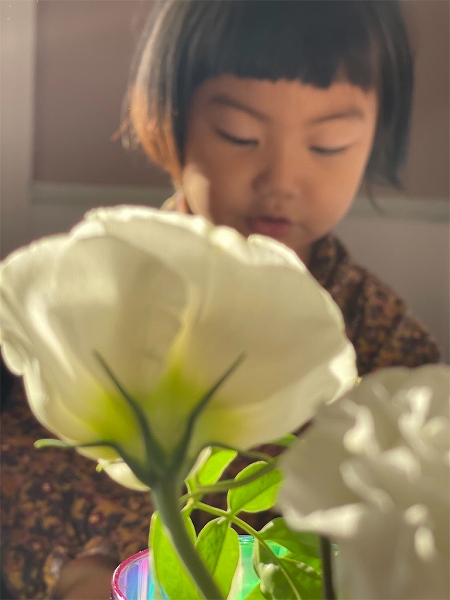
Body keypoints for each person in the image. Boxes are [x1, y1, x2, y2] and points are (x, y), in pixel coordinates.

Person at [1, 1, 441, 598]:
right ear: (166, 119)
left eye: (330, 144)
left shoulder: (375, 330)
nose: (281, 179)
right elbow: (26, 471)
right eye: (241, 136)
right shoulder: (102, 283)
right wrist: (76, 570)